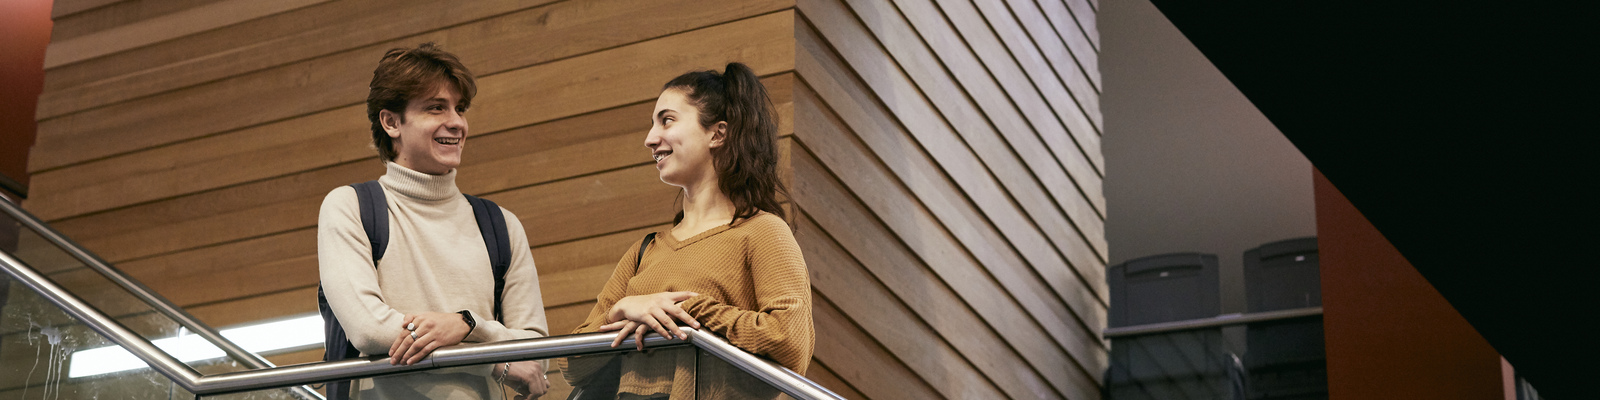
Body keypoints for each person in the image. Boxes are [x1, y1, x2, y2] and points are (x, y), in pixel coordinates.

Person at [561, 63, 815, 400]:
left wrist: (692, 310)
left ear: (717, 133)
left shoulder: (763, 232)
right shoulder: (645, 250)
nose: (650, 139)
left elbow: (790, 340)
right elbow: (571, 364)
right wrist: (620, 310)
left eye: (666, 120)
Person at [318, 42, 549, 400]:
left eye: (460, 108)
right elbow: (368, 329)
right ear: (391, 122)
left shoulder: (502, 225)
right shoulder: (350, 207)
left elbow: (535, 352)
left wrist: (465, 324)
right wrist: (489, 357)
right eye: (436, 108)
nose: (456, 123)